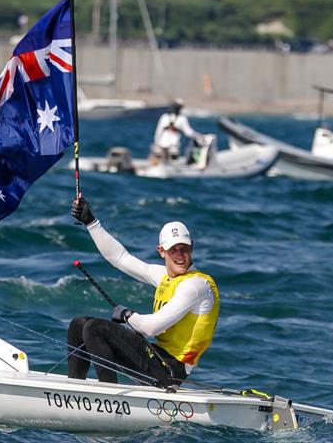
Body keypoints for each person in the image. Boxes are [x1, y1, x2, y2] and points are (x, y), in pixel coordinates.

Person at [68, 197, 220, 388]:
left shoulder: (195, 285)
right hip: (155, 356)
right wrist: (91, 222)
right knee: (78, 324)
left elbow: (151, 328)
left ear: (192, 248)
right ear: (161, 251)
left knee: (95, 328)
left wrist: (127, 315)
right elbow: (119, 257)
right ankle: (73, 390)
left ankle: (109, 396)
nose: (180, 255)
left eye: (184, 249)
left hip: (171, 370)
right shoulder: (164, 275)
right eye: (173, 250)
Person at [150, 98, 201, 165]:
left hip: (163, 144)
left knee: (161, 158)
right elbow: (188, 132)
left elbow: (158, 132)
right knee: (171, 159)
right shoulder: (181, 118)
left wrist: (157, 142)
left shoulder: (164, 117)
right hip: (172, 146)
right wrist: (199, 136)